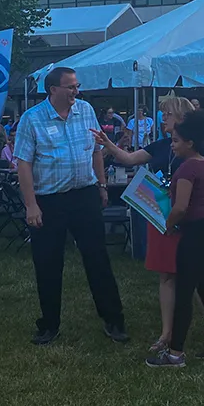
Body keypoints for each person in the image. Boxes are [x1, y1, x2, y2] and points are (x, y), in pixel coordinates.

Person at [94, 94, 204, 352]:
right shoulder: (162, 146)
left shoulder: (200, 147)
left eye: (167, 115)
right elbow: (129, 159)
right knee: (166, 275)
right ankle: (166, 333)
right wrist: (108, 144)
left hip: (190, 219)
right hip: (161, 216)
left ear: (181, 117)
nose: (163, 119)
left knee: (196, 277)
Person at [15, 67, 127, 345]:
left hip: (84, 195)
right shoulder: (32, 119)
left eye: (77, 86)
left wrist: (101, 185)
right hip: (49, 199)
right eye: (71, 87)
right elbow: (24, 164)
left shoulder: (86, 110)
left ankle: (114, 320)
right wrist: (31, 205)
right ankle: (49, 324)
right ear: (53, 90)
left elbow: (96, 150)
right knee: (48, 263)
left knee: (97, 258)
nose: (76, 91)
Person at [146, 110, 204, 368]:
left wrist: (168, 224)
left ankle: (175, 354)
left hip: (195, 232)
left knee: (184, 292)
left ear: (189, 143)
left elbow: (181, 207)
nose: (172, 145)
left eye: (175, 141)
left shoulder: (185, 170)